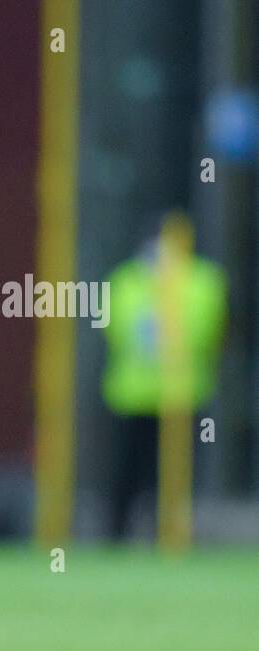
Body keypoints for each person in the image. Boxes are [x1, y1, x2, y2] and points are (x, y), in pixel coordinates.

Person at [102, 211, 227, 539]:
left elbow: (205, 332)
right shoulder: (128, 280)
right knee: (128, 474)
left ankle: (172, 535)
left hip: (183, 395)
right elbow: (116, 330)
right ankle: (117, 536)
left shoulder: (203, 281)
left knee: (177, 475)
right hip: (133, 397)